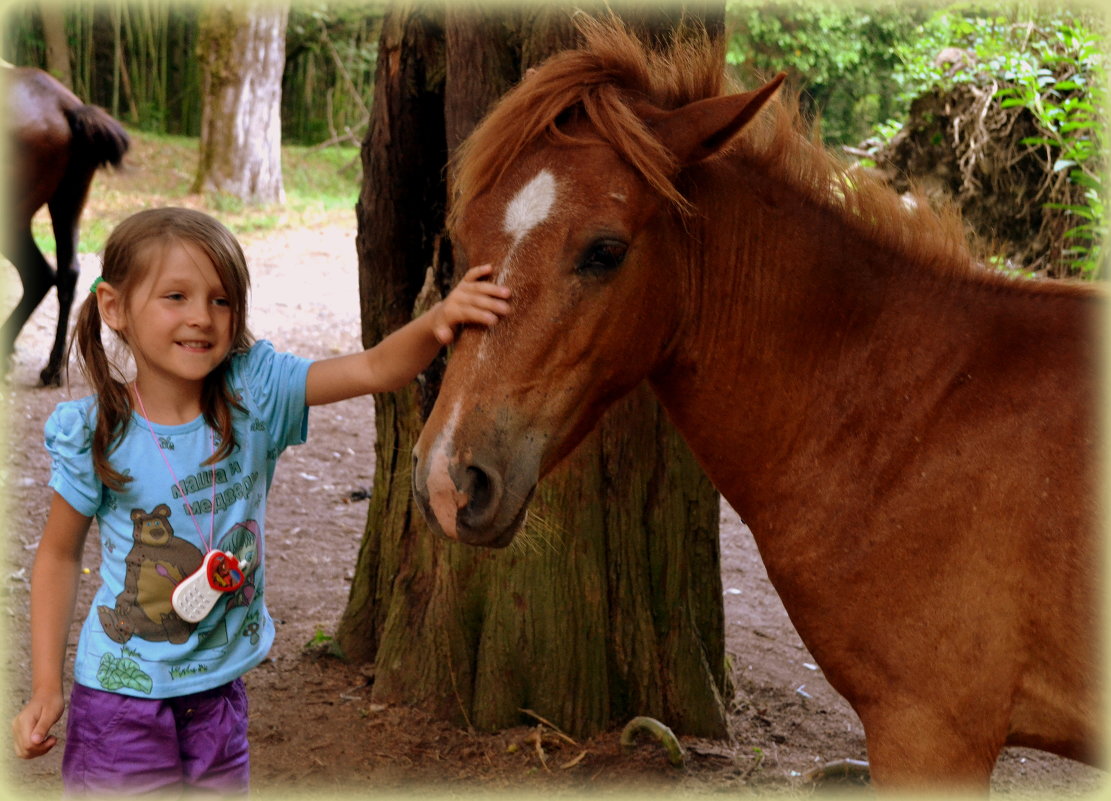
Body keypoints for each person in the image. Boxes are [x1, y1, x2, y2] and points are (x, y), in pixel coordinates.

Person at [10, 207, 511, 795]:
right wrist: (47, 685)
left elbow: (376, 368)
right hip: (122, 698)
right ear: (114, 308)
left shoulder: (256, 393)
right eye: (176, 296)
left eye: (221, 300)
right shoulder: (95, 429)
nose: (202, 317)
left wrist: (438, 321)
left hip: (220, 695)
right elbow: (60, 556)